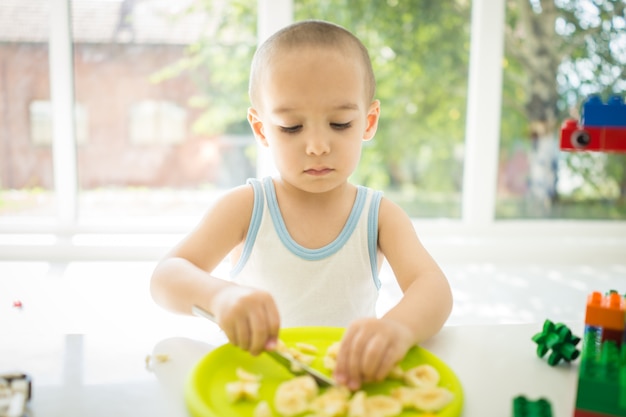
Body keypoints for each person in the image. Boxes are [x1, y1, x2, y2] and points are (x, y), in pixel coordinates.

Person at [150, 19, 453, 391]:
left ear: (368, 122)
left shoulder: (379, 216)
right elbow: (165, 276)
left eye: (339, 123)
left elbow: (433, 288)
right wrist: (219, 296)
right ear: (261, 129)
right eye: (292, 127)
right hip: (256, 388)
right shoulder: (245, 208)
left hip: (345, 387)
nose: (317, 146)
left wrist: (396, 329)